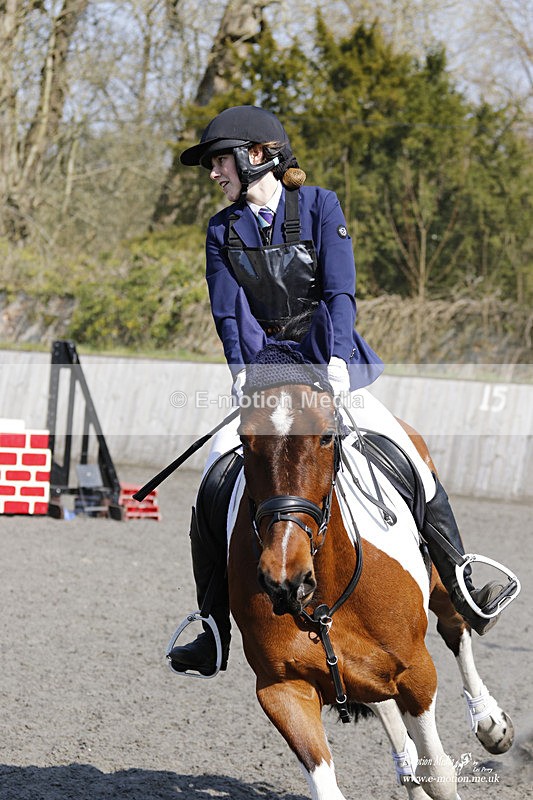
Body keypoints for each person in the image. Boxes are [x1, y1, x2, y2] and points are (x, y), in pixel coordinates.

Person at [169, 105, 512, 676]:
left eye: (219, 160)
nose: (213, 172)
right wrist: (243, 372)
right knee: (213, 476)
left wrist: (333, 360)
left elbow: (340, 290)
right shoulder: (221, 229)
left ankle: (460, 578)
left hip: (331, 362)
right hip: (266, 373)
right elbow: (228, 311)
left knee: (405, 452)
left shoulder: (321, 206)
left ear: (259, 156)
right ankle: (211, 624)